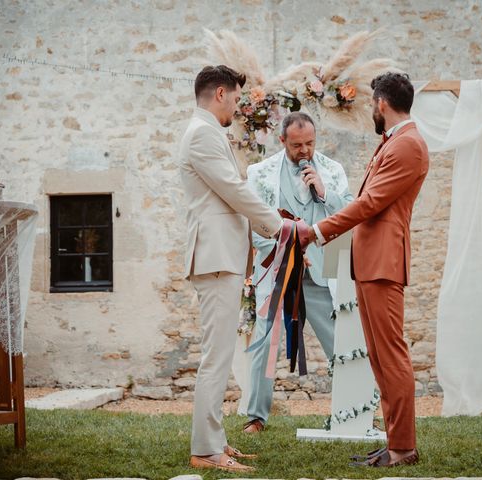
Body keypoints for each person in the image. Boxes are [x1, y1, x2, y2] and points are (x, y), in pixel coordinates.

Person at [301, 72, 429, 467]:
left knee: (390, 354)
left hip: (383, 261)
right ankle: (394, 443)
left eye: (373, 101)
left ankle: (403, 448)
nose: (371, 107)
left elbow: (370, 202)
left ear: (383, 104)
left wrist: (318, 230)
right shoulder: (395, 142)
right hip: (371, 260)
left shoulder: (408, 145)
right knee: (377, 354)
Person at [179, 65, 282, 473]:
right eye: (237, 99)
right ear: (220, 93)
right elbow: (234, 191)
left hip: (220, 257)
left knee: (218, 354)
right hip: (215, 258)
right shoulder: (202, 134)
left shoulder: (205, 132)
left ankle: (215, 441)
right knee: (216, 358)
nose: (238, 107)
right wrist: (279, 225)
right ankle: (205, 450)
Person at [243, 112, 353, 433]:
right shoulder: (260, 174)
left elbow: (350, 214)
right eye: (296, 145)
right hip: (279, 273)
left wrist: (325, 193)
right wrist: (288, 250)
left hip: (320, 274)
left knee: (339, 340)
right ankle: (256, 417)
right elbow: (255, 226)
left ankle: (354, 409)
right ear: (282, 141)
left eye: (309, 143)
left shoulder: (332, 171)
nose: (304, 150)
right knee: (265, 342)